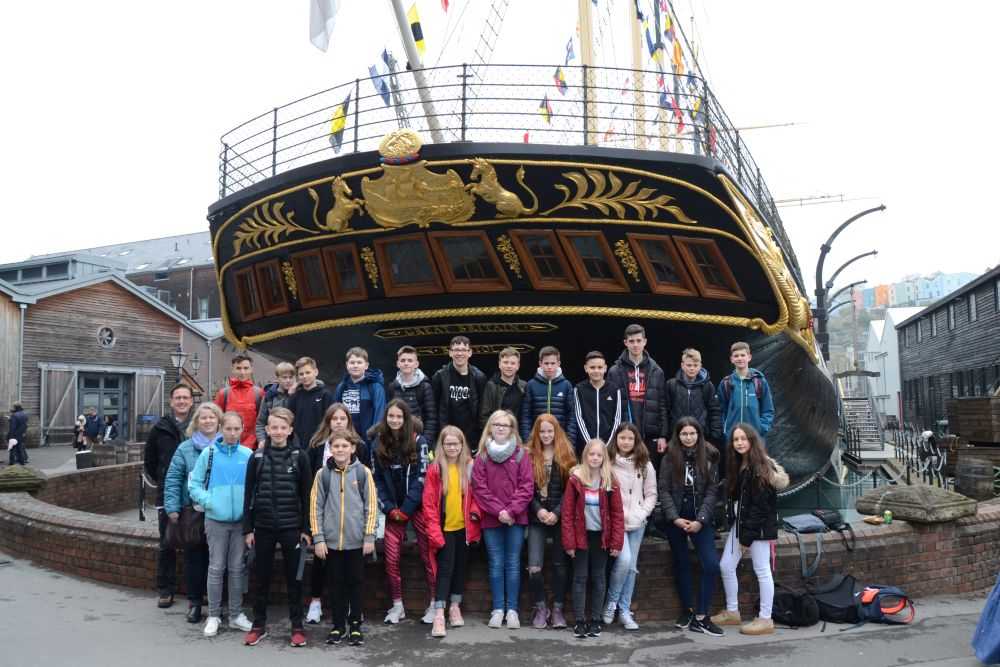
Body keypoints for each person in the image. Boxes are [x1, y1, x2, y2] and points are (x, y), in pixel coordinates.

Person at [242, 407, 314, 647]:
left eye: (283, 427)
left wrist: (307, 529)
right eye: (274, 427)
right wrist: (248, 529)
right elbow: (248, 494)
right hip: (263, 527)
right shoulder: (256, 457)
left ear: (290, 430)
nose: (279, 431)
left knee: (294, 579)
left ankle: (297, 626)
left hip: (291, 527)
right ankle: (258, 625)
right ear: (267, 429)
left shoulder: (300, 457)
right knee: (261, 578)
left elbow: (307, 496)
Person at [710, 423, 788, 636]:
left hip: (757, 529)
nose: (739, 443)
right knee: (726, 565)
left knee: (762, 570)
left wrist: (747, 538)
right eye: (736, 439)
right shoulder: (738, 464)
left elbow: (759, 508)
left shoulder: (760, 467)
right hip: (741, 525)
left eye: (743, 438)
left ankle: (765, 619)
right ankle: (732, 611)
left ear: (752, 440)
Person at [187, 411, 254, 637]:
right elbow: (194, 485)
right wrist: (210, 502)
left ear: (242, 429)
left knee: (236, 568)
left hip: (241, 522)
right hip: (215, 520)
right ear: (221, 429)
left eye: (236, 429)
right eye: (228, 429)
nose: (232, 433)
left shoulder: (248, 454)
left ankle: (235, 614)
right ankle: (214, 615)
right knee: (216, 567)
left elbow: (255, 487)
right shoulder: (209, 454)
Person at [310, 427, 377, 647]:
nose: (340, 449)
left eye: (344, 446)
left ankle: (355, 624)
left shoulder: (362, 472)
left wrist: (369, 536)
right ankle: (338, 625)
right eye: (336, 446)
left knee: (356, 583)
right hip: (331, 543)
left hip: (356, 541)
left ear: (353, 448)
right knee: (336, 584)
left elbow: (371, 506)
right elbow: (315, 508)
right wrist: (319, 539)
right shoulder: (322, 475)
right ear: (330, 448)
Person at [371, 399, 435, 625]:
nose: (395, 420)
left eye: (399, 416)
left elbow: (422, 477)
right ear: (386, 418)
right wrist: (390, 508)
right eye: (391, 416)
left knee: (428, 554)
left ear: (406, 418)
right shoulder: (378, 442)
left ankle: (435, 605)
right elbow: (376, 480)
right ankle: (397, 606)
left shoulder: (419, 441)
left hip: (416, 508)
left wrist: (407, 508)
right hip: (393, 511)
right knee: (390, 557)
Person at [658, 417, 723, 635]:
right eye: (684, 434)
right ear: (678, 436)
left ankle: (701, 616)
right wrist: (674, 518)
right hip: (676, 517)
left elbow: (712, 491)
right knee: (681, 562)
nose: (688, 437)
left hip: (700, 517)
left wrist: (701, 520)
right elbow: (664, 490)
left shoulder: (710, 456)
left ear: (699, 434)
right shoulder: (669, 457)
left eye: (692, 433)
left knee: (711, 565)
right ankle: (687, 609)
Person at [471, 410, 534, 630]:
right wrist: (501, 511)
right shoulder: (482, 456)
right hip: (492, 519)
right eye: (496, 424)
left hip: (516, 518)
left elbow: (527, 487)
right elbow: (479, 488)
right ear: (490, 427)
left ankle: (512, 610)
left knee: (513, 562)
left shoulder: (521, 455)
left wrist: (511, 511)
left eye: (505, 425)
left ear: (511, 429)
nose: (500, 428)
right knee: (496, 562)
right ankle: (498, 609)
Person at [304, 402, 365, 624]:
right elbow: (309, 479)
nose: (338, 422)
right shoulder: (316, 445)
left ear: (349, 421)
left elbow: (365, 483)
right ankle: (315, 602)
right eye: (334, 419)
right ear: (328, 422)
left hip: (350, 517)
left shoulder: (359, 446)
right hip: (324, 512)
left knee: (351, 570)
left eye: (342, 418)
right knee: (320, 560)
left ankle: (352, 608)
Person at [163, 402, 221, 624]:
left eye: (212, 417)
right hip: (192, 512)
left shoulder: (227, 446)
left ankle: (215, 604)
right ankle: (195, 602)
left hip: (220, 512)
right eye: (203, 417)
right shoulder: (185, 448)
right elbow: (173, 478)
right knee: (195, 560)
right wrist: (172, 508)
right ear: (196, 422)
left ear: (219, 421)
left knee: (218, 561)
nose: (208, 421)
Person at [422, 425, 482, 638]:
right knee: (445, 569)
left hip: (464, 528)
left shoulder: (470, 466)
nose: (452, 447)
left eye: (456, 443)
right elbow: (429, 504)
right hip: (444, 529)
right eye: (448, 444)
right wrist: (434, 532)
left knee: (461, 567)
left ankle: (455, 606)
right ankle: (439, 613)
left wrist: (475, 513)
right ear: (442, 445)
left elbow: (479, 496)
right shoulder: (435, 469)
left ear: (462, 444)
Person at [562, 438, 624, 639]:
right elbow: (567, 513)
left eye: (599, 454)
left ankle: (595, 620)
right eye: (591, 454)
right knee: (580, 577)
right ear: (585, 455)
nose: (595, 458)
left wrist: (616, 542)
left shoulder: (610, 480)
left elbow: (617, 514)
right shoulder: (576, 479)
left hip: (601, 537)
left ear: (604, 457)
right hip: (581, 535)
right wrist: (569, 542)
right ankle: (580, 621)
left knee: (598, 577)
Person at [143, 383, 194, 609]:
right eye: (178, 398)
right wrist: (165, 478)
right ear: (171, 402)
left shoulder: (200, 424)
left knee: (195, 542)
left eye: (185, 397)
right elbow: (150, 461)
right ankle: (166, 590)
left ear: (191, 401)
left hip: (193, 492)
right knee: (166, 543)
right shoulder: (160, 428)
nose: (182, 401)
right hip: (167, 492)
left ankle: (195, 590)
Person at [523, 414, 576, 629]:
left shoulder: (567, 453)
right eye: (542, 431)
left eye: (550, 431)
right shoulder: (528, 454)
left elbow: (571, 489)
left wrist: (556, 512)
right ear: (536, 433)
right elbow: (525, 488)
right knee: (534, 567)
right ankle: (541, 607)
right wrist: (538, 510)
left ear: (556, 432)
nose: (546, 435)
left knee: (560, 565)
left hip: (559, 518)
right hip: (537, 518)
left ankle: (558, 609)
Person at [603, 423, 656, 631]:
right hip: (616, 523)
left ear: (636, 441)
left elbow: (651, 494)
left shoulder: (645, 464)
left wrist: (642, 513)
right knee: (624, 561)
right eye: (622, 438)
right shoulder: (608, 462)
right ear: (616, 439)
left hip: (637, 523)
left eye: (630, 438)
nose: (626, 442)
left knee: (632, 568)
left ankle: (624, 610)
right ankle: (612, 601)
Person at [432, 336, 488, 454]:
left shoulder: (479, 377)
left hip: (472, 439)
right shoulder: (440, 376)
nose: (460, 353)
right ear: (450, 353)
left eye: (463, 350)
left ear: (470, 353)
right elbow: (433, 409)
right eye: (456, 350)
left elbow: (483, 410)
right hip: (447, 438)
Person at [716, 342, 774, 445]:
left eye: (742, 355)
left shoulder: (759, 382)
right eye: (736, 356)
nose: (739, 358)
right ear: (731, 359)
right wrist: (726, 430)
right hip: (733, 439)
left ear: (749, 357)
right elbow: (720, 411)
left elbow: (768, 409)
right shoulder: (726, 383)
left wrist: (761, 428)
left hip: (755, 438)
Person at [664, 348, 723, 446]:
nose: (692, 368)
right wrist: (664, 435)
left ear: (700, 366)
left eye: (695, 365)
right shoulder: (671, 385)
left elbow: (714, 412)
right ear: (682, 365)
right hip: (676, 437)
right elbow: (665, 411)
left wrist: (714, 438)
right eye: (689, 365)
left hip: (701, 438)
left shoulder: (707, 386)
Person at [519, 346, 577, 444]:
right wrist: (527, 442)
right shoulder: (531, 385)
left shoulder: (566, 385)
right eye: (546, 363)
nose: (549, 367)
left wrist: (570, 443)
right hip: (537, 438)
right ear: (540, 364)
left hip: (560, 439)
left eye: (553, 363)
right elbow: (525, 416)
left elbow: (571, 416)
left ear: (558, 364)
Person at [334, 347, 386, 455]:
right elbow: (335, 414)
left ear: (366, 365)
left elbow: (380, 415)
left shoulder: (375, 387)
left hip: (368, 441)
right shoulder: (341, 387)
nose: (355, 365)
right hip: (346, 441)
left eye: (359, 362)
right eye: (352, 362)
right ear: (347, 365)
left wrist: (375, 442)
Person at [572, 351, 623, 456]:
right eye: (592, 367)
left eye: (600, 367)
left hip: (608, 446)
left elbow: (617, 419)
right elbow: (578, 418)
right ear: (586, 368)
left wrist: (607, 445)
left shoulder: (614, 389)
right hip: (586, 447)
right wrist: (590, 445)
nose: (596, 371)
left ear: (605, 368)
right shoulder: (579, 389)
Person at [387, 345, 438, 446]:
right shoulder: (392, 387)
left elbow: (431, 418)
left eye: (410, 360)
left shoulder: (425, 387)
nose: (406, 363)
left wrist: (424, 444)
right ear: (398, 364)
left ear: (416, 364)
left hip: (418, 441)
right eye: (403, 360)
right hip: (396, 442)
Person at [288, 356, 335, 456]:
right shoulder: (294, 398)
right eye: (301, 374)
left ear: (316, 372)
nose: (304, 376)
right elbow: (289, 423)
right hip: (298, 447)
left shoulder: (326, 396)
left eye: (308, 372)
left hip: (320, 447)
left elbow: (331, 423)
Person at [214, 354, 262, 449]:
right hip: (228, 446)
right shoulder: (223, 393)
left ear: (251, 369)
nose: (242, 372)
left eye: (246, 368)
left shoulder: (258, 393)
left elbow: (262, 421)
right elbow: (217, 420)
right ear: (232, 369)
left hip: (252, 447)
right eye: (238, 368)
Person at [479, 347, 526, 431]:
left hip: (518, 434)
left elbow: (526, 415)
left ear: (518, 366)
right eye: (505, 362)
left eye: (513, 363)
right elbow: (484, 416)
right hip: (497, 433)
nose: (509, 366)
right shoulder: (491, 385)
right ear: (499, 364)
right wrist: (494, 433)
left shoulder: (524, 386)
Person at [255, 362, 298, 447]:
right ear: (277, 378)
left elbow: (319, 383)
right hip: (273, 443)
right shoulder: (269, 397)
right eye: (284, 377)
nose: (288, 380)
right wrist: (261, 440)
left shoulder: (299, 393)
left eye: (291, 377)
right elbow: (261, 423)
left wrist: (298, 384)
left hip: (294, 444)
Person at [7, 402, 28, 466]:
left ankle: (11, 465)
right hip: (20, 435)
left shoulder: (15, 415)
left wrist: (10, 436)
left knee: (12, 450)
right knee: (20, 450)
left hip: (14, 435)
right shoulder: (24, 414)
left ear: (15, 407)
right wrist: (23, 433)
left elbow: (13, 427)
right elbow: (25, 425)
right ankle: (22, 464)